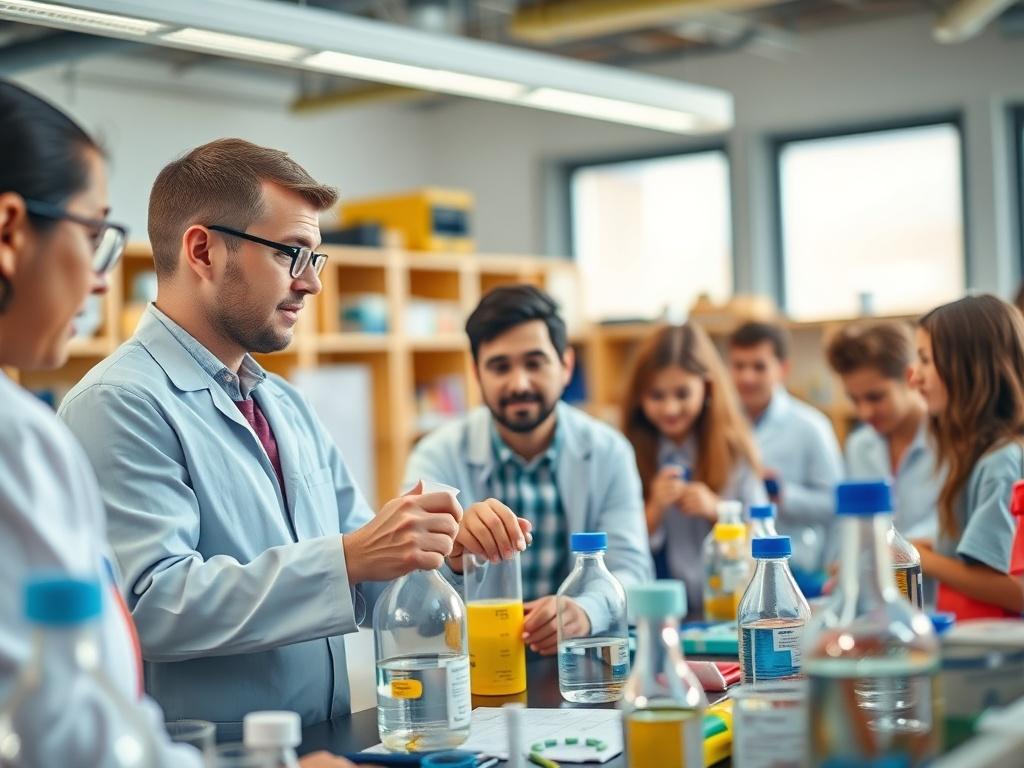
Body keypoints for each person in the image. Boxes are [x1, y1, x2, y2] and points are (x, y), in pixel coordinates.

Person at [58, 138, 462, 734]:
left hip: (322, 739)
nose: (312, 284)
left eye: (314, 259)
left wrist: (439, 549)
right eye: (291, 254)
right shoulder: (120, 402)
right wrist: (349, 558)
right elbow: (150, 605)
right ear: (203, 251)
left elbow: (367, 562)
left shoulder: (280, 401)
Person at [403, 285, 653, 655]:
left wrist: (585, 609)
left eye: (534, 363)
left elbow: (633, 573)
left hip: (577, 664)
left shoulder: (608, 450)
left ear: (566, 366)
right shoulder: (436, 456)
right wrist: (454, 561)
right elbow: (411, 598)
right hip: (474, 668)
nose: (519, 383)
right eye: (500, 367)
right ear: (476, 373)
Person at [621, 323, 766, 620]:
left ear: (707, 388)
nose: (670, 408)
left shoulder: (734, 448)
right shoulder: (627, 452)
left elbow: (763, 535)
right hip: (660, 614)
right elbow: (621, 547)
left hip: (731, 611)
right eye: (656, 396)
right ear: (639, 397)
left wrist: (717, 510)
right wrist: (655, 509)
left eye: (682, 394)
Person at [911, 294, 1024, 615]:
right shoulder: (976, 455)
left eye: (925, 360)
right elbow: (971, 551)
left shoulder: (1001, 462)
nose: (915, 375)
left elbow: (1016, 589)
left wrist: (916, 558)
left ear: (968, 368)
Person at [727, 321, 842, 586]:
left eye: (759, 366)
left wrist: (783, 494)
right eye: (739, 366)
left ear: (783, 369)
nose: (747, 377)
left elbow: (835, 504)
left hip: (798, 570)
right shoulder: (718, 425)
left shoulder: (811, 426)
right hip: (736, 567)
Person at [826, 320, 940, 541]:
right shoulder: (859, 445)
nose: (864, 412)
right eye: (854, 399)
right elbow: (851, 524)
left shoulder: (949, 441)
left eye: (875, 397)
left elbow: (950, 532)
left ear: (910, 378)